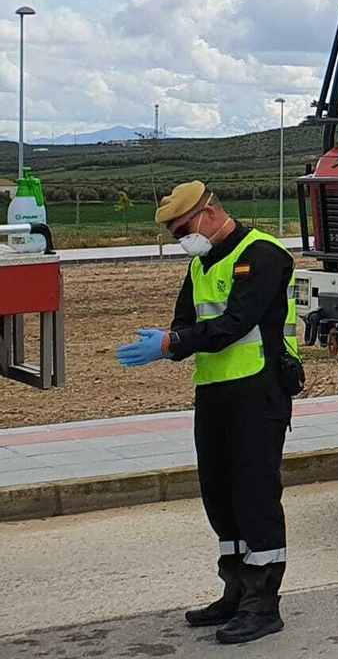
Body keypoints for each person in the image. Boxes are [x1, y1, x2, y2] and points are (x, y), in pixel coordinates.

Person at [117, 182, 302, 645]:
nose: (183, 239)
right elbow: (186, 319)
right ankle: (237, 589)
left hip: (259, 388)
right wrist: (174, 339)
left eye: (184, 229)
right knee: (219, 494)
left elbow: (234, 324)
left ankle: (263, 604)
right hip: (215, 391)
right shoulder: (202, 263)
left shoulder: (263, 254)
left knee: (255, 494)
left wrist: (172, 344)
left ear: (210, 213)